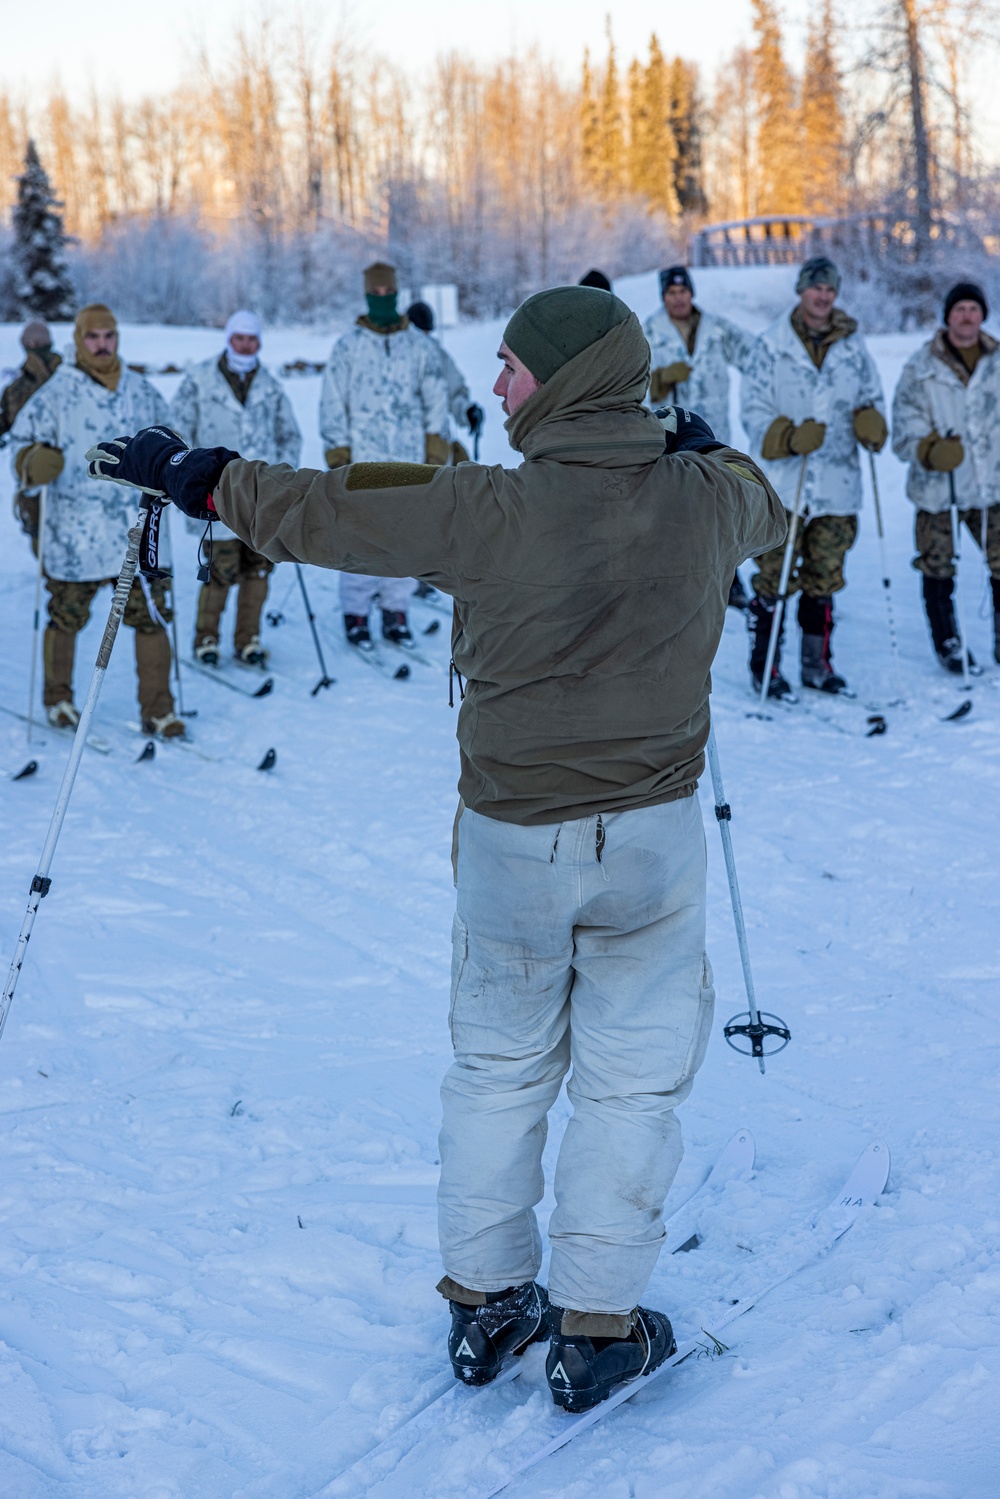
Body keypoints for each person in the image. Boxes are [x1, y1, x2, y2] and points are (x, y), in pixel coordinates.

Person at [89, 285, 786, 1412]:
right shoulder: (704, 495)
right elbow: (761, 497)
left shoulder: (485, 507)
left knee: (499, 1070)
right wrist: (695, 443)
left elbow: (331, 509)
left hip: (514, 843)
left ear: (560, 381)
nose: (497, 384)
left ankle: (485, 1296)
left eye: (513, 367)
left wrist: (200, 476)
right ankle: (598, 1323)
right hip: (651, 844)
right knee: (629, 1084)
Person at [10, 303, 183, 737]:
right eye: (92, 337)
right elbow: (21, 446)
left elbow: (173, 440)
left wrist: (175, 468)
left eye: (108, 336)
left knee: (152, 618)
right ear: (78, 340)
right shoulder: (54, 394)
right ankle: (59, 699)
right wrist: (33, 462)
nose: (101, 345)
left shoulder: (142, 392)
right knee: (66, 617)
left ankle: (159, 710)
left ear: (117, 338)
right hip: (75, 532)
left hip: (138, 528)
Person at [741, 255, 887, 697]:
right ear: (801, 291)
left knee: (824, 576)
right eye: (815, 287)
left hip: (837, 484)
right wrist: (786, 435)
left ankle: (816, 664)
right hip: (784, 485)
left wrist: (872, 423)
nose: (823, 296)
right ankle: (765, 665)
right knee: (775, 576)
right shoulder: (770, 344)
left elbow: (872, 397)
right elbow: (752, 410)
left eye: (830, 288)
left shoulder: (853, 347)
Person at [319, 262, 449, 649]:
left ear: (397, 295)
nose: (381, 300)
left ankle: (396, 610)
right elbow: (331, 401)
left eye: (387, 294)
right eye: (374, 294)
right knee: (361, 537)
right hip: (363, 461)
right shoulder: (348, 346)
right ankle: (356, 612)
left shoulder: (419, 346)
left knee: (405, 538)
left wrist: (435, 444)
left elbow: (435, 398)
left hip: (410, 462)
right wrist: (337, 449)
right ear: (365, 295)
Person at [169, 310, 302, 667]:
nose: (245, 345)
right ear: (228, 340)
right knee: (219, 569)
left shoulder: (271, 387)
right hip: (217, 492)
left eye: (252, 339)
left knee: (258, 567)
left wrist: (284, 479)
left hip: (263, 496)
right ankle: (206, 637)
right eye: (239, 338)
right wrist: (188, 476)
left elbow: (290, 435)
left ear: (259, 342)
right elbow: (177, 431)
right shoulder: (199, 381)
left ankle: (248, 638)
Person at [891, 280, 999, 670]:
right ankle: (948, 643)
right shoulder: (921, 366)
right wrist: (927, 448)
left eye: (973, 309)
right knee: (937, 564)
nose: (967, 316)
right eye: (959, 310)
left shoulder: (998, 360)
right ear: (947, 317)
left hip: (992, 485)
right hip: (939, 485)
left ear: (983, 315)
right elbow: (902, 425)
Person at [643, 266, 757, 609]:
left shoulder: (717, 329)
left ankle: (731, 579)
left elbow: (758, 355)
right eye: (671, 294)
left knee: (721, 506)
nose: (678, 299)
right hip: (671, 437)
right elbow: (629, 381)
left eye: (683, 292)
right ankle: (679, 580)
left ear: (692, 293)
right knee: (676, 507)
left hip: (713, 435)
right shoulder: (648, 331)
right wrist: (660, 377)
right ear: (664, 297)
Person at [2, 320, 62, 551]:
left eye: (40, 341)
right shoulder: (14, 389)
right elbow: (6, 421)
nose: (35, 345)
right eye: (30, 342)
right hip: (32, 479)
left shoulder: (68, 378)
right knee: (42, 547)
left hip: (71, 473)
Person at [406, 300, 484, 465]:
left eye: (427, 332)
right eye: (420, 331)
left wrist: (467, 411)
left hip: (436, 449)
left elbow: (454, 393)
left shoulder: (437, 355)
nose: (423, 337)